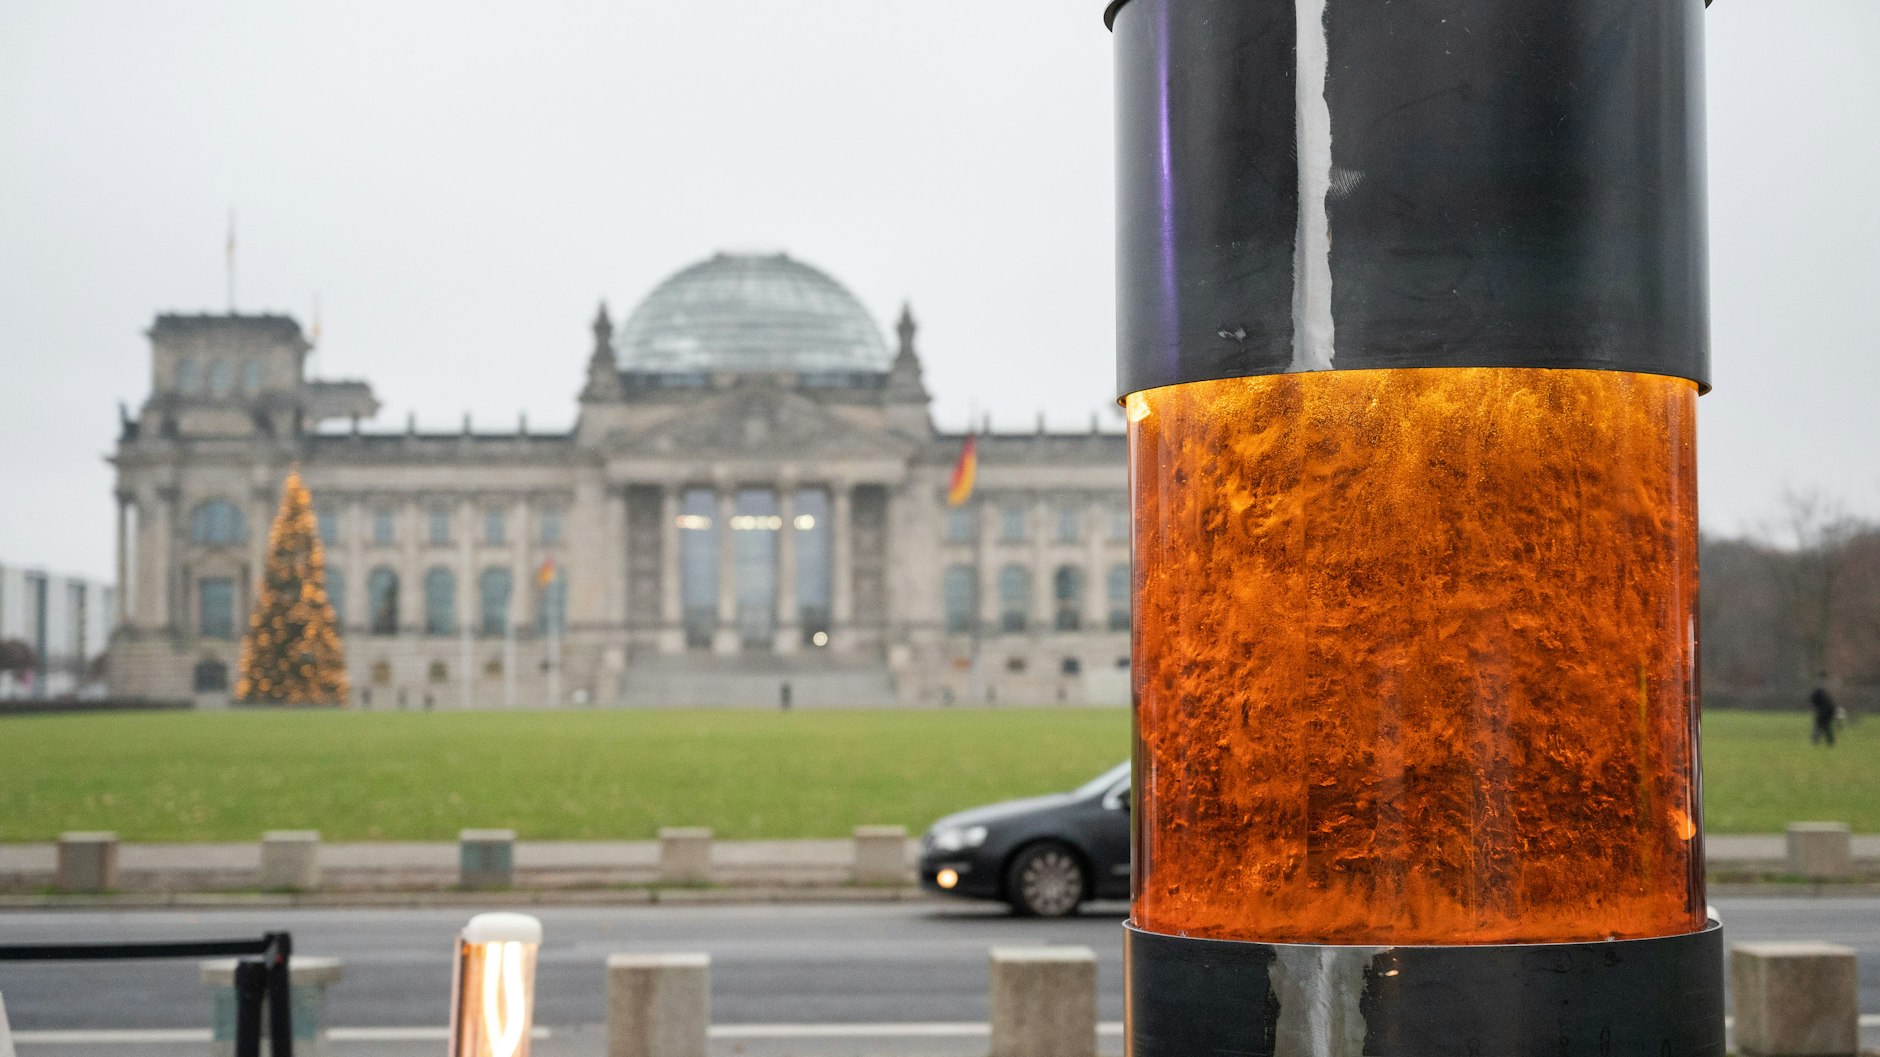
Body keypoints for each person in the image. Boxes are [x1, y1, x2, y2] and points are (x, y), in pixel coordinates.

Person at [1810, 682, 1838, 747]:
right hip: (1828, 712)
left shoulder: (1818, 697)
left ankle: (1816, 739)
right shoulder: (1825, 696)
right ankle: (1830, 741)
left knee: (1819, 726)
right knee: (1827, 727)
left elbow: (1814, 702)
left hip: (1824, 713)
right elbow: (1831, 706)